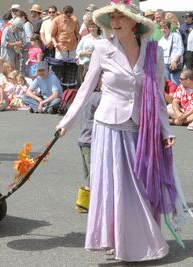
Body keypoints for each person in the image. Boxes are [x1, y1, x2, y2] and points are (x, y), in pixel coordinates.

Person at [55, 2, 181, 262]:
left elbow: (157, 94)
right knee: (117, 188)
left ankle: (138, 238)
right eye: (111, 17)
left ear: (134, 22)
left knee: (141, 186)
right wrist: (66, 122)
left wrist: (165, 129)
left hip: (140, 128)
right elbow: (86, 89)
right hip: (108, 128)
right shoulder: (102, 48)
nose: (114, 21)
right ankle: (120, 240)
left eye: (120, 16)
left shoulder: (152, 51)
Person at [158, 20, 184, 85]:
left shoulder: (175, 36)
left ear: (169, 28)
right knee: (168, 85)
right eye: (161, 28)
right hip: (164, 65)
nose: (163, 30)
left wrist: (175, 61)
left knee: (175, 84)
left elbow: (181, 49)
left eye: (165, 28)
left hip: (174, 64)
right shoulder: (160, 41)